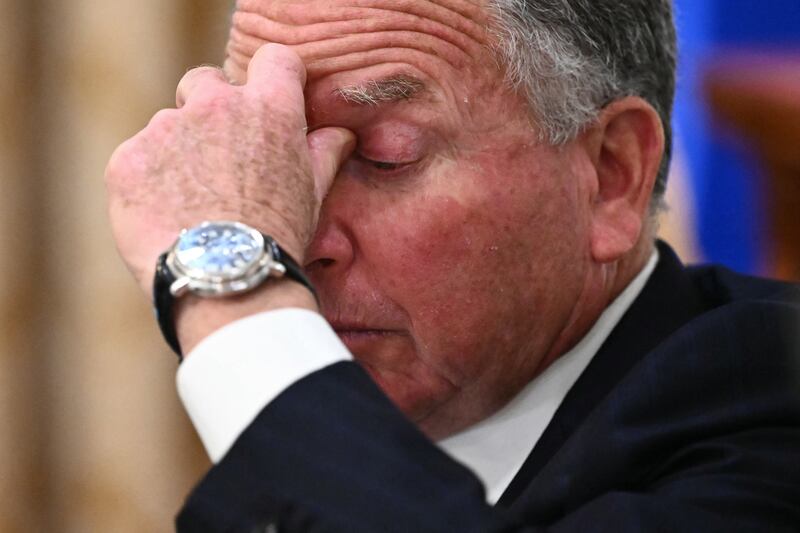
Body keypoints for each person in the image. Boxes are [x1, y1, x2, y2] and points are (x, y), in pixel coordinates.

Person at [105, 0, 800, 531]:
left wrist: (232, 292)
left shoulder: (773, 409)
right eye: (274, 152)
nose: (288, 230)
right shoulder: (305, 448)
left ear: (611, 175)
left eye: (385, 156)